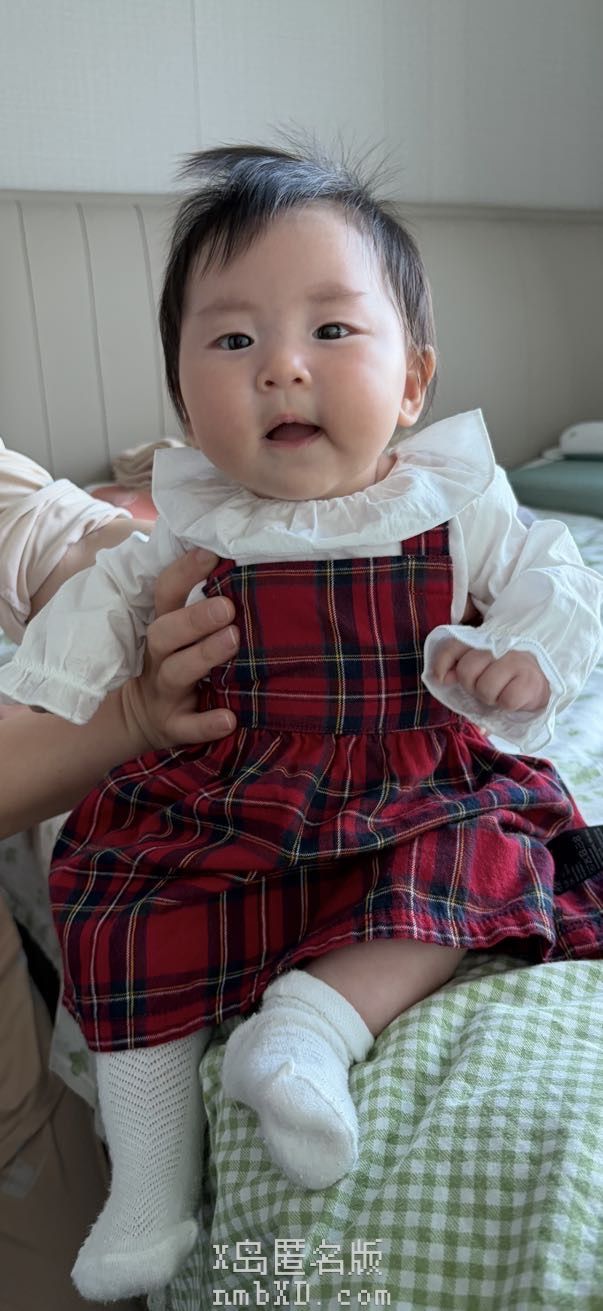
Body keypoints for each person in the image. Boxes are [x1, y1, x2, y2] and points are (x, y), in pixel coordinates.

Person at [0, 145, 601, 1303]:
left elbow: (552, 575)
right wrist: (98, 699)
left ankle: (313, 1027)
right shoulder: (186, 528)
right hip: (233, 794)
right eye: (233, 341)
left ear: (413, 381)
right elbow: (87, 623)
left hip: (410, 782)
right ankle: (149, 1186)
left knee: (490, 858)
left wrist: (523, 660)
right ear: (185, 404)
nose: (282, 367)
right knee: (122, 903)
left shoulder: (451, 497)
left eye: (331, 330)